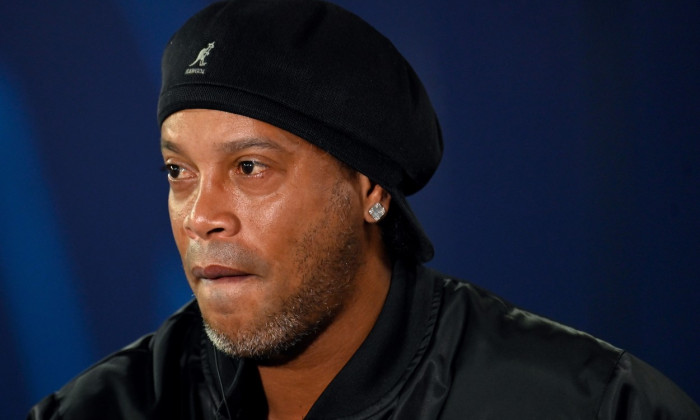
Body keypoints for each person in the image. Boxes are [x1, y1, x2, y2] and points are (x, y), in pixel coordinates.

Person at [27, 0, 699, 419]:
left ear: (371, 187)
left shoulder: (592, 405)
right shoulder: (102, 408)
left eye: (250, 168)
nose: (202, 215)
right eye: (179, 172)